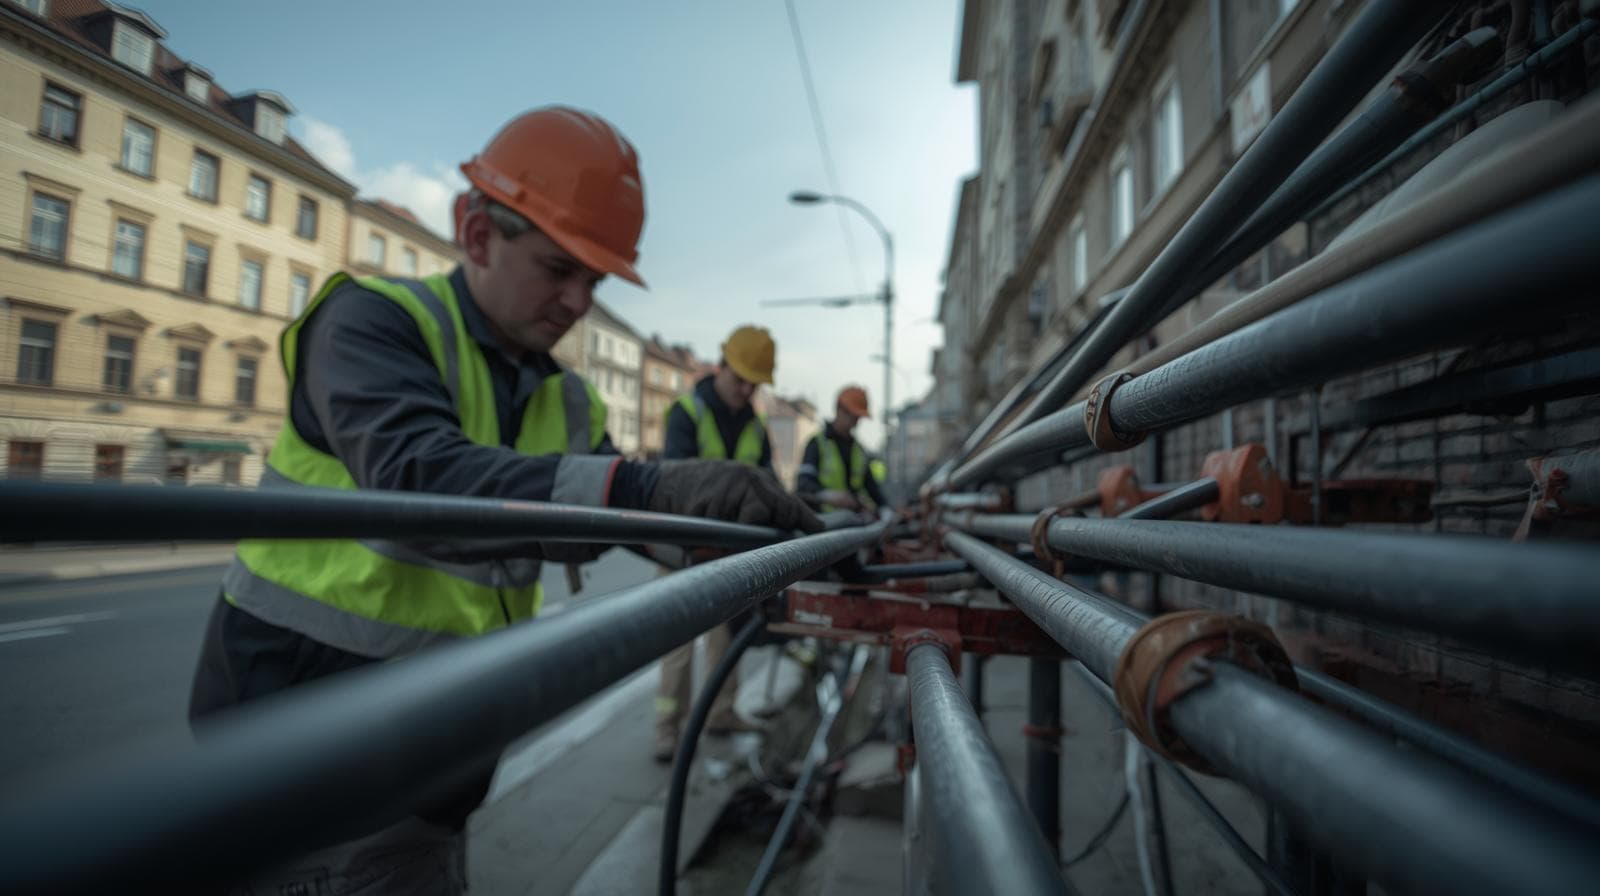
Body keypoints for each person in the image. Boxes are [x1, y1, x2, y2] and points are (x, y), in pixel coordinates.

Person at [187, 107, 820, 894]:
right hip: (300, 748)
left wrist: (772, 548)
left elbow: (640, 525)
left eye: (595, 280)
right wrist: (651, 486)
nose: (579, 302)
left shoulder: (566, 397)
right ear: (477, 232)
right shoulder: (372, 324)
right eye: (560, 269)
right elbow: (420, 479)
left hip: (437, 758)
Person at [653, 326, 776, 762]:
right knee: (679, 646)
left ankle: (721, 713)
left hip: (729, 548)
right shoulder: (687, 412)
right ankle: (668, 728)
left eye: (754, 383)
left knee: (725, 640)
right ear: (721, 365)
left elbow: (768, 485)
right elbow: (676, 480)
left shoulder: (756, 427)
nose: (746, 389)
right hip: (684, 545)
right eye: (740, 378)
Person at [798, 385, 887, 513]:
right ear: (839, 409)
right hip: (824, 521)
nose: (856, 423)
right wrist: (828, 495)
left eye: (858, 418)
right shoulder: (817, 444)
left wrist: (884, 508)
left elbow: (871, 487)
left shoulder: (859, 451)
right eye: (853, 416)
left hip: (852, 521)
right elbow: (803, 485)